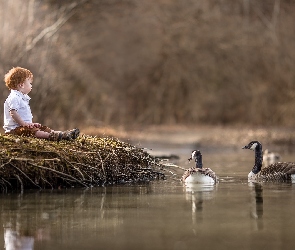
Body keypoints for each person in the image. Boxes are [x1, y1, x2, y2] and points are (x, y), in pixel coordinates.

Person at [3, 66, 79, 141]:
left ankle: (62, 134)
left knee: (43, 128)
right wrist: (24, 124)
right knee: (33, 131)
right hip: (14, 131)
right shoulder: (14, 97)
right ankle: (51, 136)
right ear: (21, 85)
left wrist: (30, 124)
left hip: (22, 127)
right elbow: (13, 113)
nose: (31, 86)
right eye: (29, 83)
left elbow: (23, 116)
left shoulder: (21, 98)